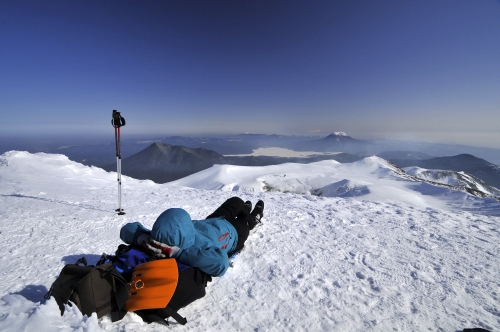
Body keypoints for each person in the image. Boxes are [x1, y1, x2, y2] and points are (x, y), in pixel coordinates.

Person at [119, 197, 264, 277]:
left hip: (213, 220)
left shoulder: (160, 236)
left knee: (236, 201)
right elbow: (221, 263)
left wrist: (143, 239)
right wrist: (177, 252)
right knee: (245, 220)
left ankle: (244, 208)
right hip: (233, 234)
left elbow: (127, 229)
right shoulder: (194, 248)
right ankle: (253, 216)